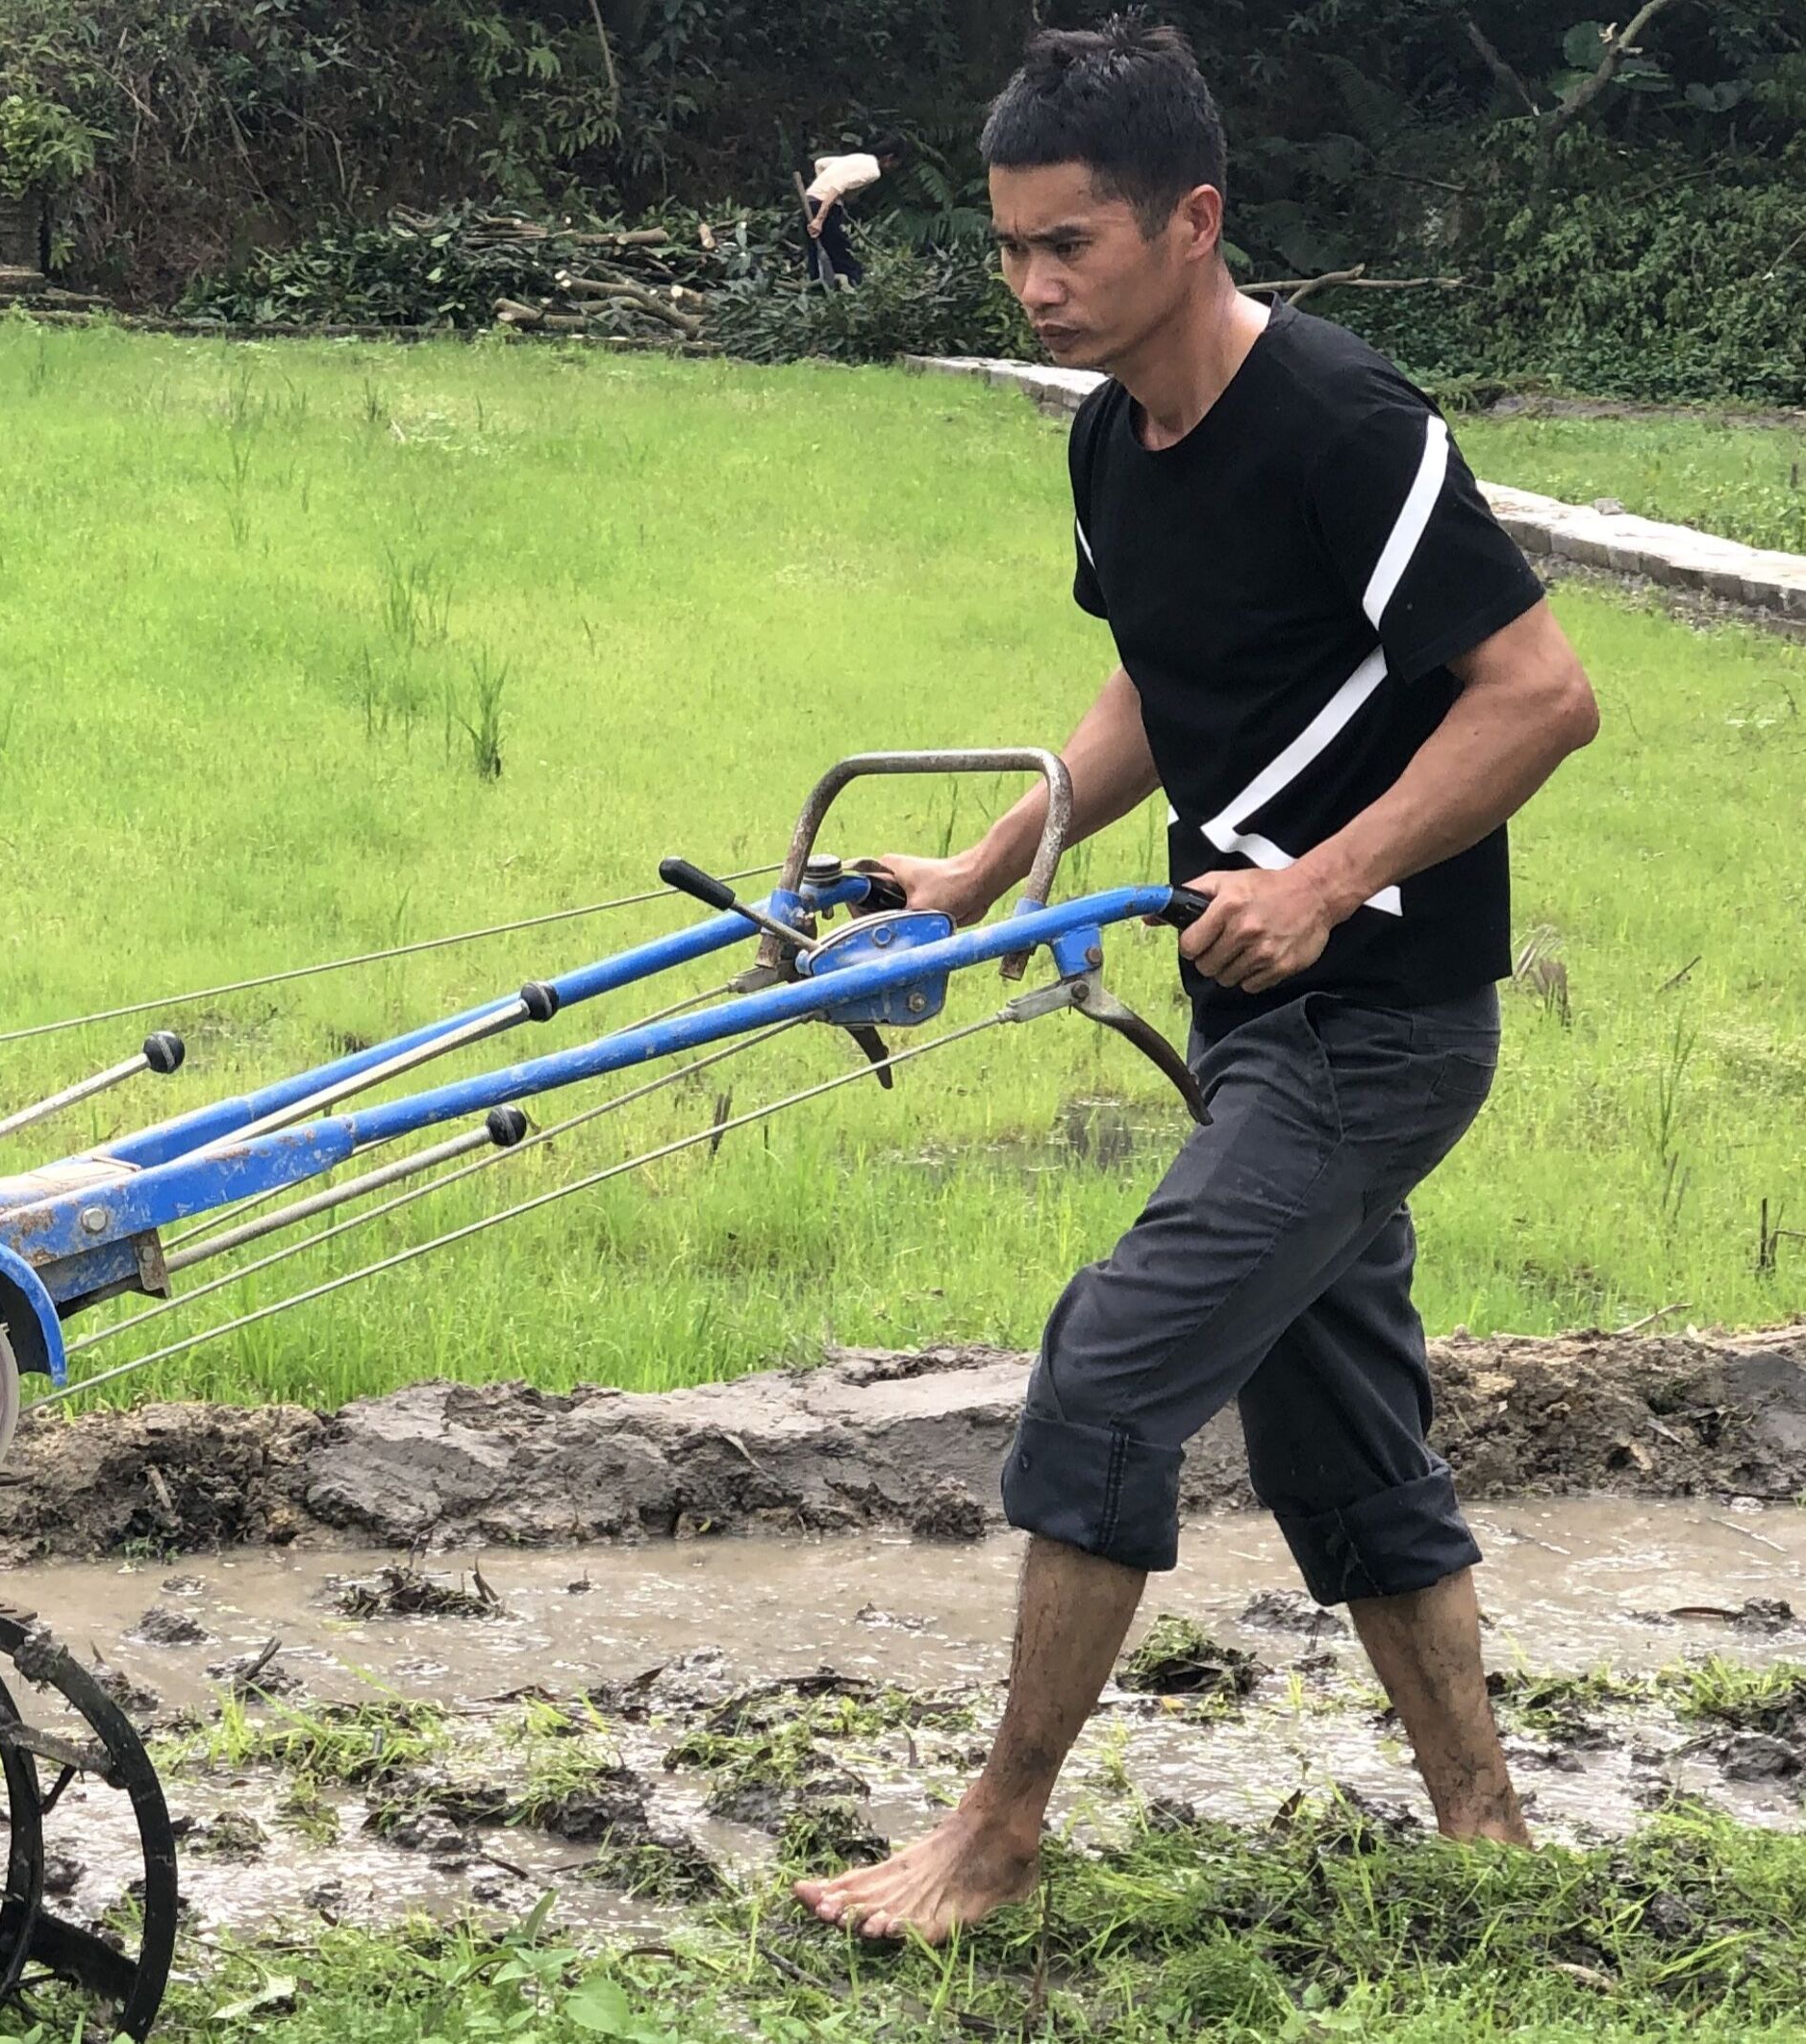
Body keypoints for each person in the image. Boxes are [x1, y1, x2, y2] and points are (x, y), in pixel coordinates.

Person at [791, 18, 1601, 1944]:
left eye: (1065, 244)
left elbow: (1538, 694)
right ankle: (1480, 1836)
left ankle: (992, 1834)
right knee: (1342, 1426)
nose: (1032, 283)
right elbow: (1166, 681)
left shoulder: (1339, 423)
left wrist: (1322, 882)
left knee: (1106, 1369)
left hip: (1375, 1019)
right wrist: (978, 864)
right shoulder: (1109, 445)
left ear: (1193, 221)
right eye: (1007, 248)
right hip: (1257, 1015)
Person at [802, 151, 878, 286]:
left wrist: (823, 186)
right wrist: (820, 219)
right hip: (825, 208)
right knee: (842, 254)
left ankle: (818, 290)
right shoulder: (873, 171)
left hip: (809, 202)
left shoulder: (852, 161)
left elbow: (820, 164)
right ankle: (855, 288)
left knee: (816, 254)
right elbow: (838, 185)